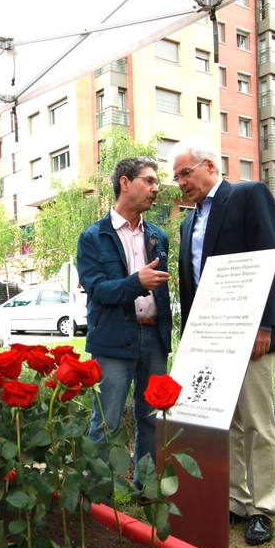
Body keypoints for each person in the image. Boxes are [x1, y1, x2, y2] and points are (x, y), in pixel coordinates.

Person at [174, 140, 275, 546]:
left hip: (252, 332)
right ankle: (238, 500)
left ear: (209, 165)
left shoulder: (246, 194)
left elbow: (274, 256)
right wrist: (191, 339)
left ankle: (263, 507)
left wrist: (263, 325)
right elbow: (190, 284)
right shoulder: (187, 222)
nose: (181, 183)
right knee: (228, 421)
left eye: (186, 173)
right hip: (210, 336)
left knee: (258, 421)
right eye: (176, 178)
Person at [76, 157, 171, 464]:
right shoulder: (93, 236)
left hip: (154, 339)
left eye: (156, 182)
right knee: (106, 421)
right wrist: (135, 283)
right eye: (149, 180)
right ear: (125, 183)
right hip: (113, 340)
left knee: (153, 419)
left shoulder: (158, 235)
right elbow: (97, 290)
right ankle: (98, 493)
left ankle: (147, 489)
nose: (156, 188)